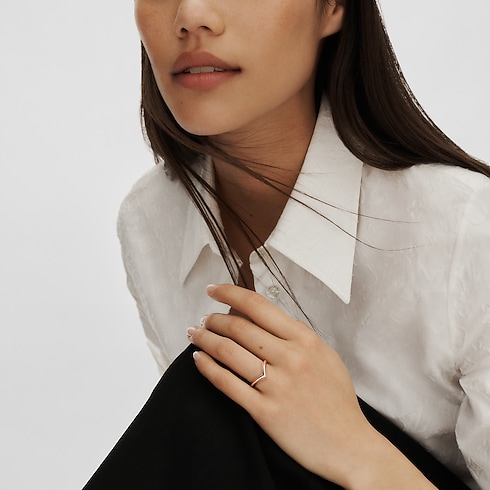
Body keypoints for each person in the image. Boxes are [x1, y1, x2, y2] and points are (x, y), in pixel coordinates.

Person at [118, 0, 490, 488]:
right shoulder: (150, 219)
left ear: (333, 7)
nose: (191, 16)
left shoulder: (468, 232)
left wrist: (356, 452)